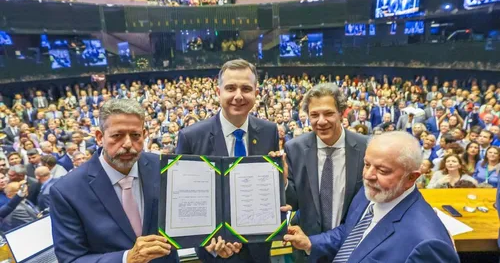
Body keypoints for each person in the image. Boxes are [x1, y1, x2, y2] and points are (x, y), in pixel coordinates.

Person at [283, 132, 460, 263]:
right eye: (366, 164)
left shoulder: (428, 245)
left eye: (382, 170)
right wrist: (310, 243)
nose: (368, 175)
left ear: (411, 177)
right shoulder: (373, 191)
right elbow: (348, 232)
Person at [50, 99, 179, 263]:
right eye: (117, 136)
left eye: (135, 135)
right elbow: (71, 259)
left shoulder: (165, 167)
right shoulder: (67, 191)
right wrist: (126, 259)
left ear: (145, 135)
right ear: (99, 137)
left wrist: (209, 242)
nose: (127, 144)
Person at [176, 59, 279, 263]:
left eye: (246, 89)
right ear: (218, 92)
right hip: (215, 254)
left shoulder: (269, 131)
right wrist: (208, 243)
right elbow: (183, 203)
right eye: (231, 88)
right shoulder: (191, 137)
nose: (238, 96)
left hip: (259, 252)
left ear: (256, 94)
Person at [284, 83, 368, 262]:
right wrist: (282, 181)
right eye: (314, 115)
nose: (321, 121)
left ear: (342, 112)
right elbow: (292, 202)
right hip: (306, 250)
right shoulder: (295, 148)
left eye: (328, 113)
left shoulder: (365, 147)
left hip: (352, 250)